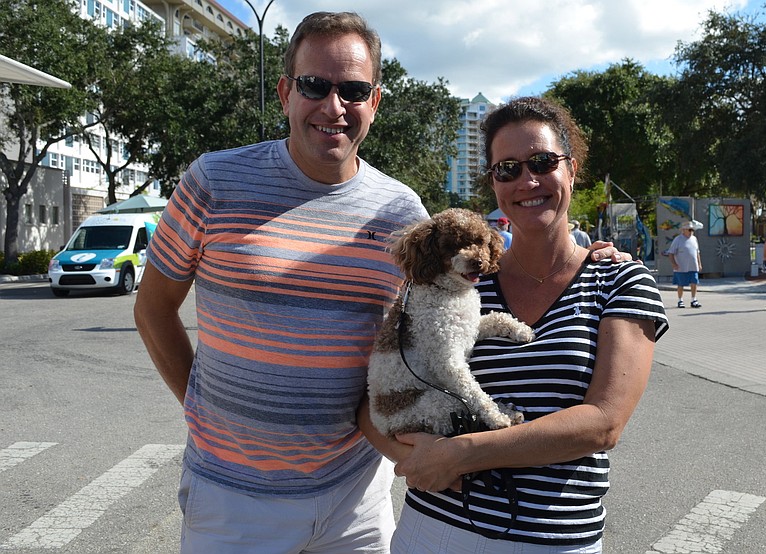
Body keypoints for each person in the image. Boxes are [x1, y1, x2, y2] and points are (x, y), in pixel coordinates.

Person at [134, 12, 630, 553]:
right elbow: (154, 308)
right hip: (234, 499)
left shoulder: (402, 211)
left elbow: (478, 274)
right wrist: (202, 412)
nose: (333, 106)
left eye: (352, 89)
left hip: (356, 496)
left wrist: (588, 257)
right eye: (314, 85)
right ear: (285, 92)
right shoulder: (214, 180)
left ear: (374, 101)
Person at [360, 96, 668, 553]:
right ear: (493, 183)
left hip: (551, 541)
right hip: (435, 529)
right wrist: (417, 461)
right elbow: (371, 400)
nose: (528, 180)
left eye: (543, 162)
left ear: (572, 169)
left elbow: (603, 423)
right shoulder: (453, 282)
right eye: (507, 169)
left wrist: (461, 455)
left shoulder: (620, 278)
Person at [668, 220, 703, 308]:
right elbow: (671, 253)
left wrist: (699, 263)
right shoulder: (678, 239)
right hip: (681, 267)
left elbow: (697, 252)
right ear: (683, 230)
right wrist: (674, 264)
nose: (691, 232)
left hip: (693, 266)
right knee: (680, 284)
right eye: (689, 230)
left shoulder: (694, 239)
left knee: (694, 283)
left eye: (692, 230)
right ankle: (680, 300)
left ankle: (694, 300)